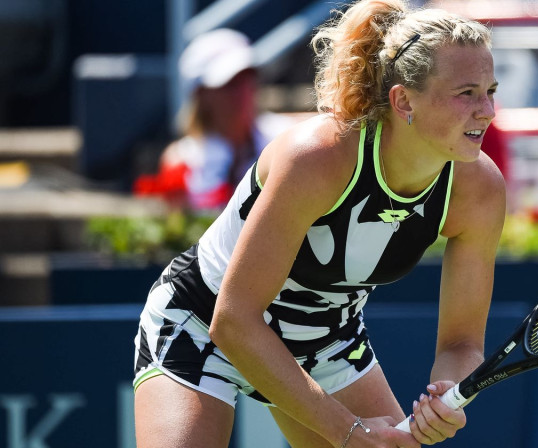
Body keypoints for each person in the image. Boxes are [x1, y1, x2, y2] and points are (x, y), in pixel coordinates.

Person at [132, 0, 505, 446]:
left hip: (327, 344)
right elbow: (233, 322)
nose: (487, 111)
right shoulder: (316, 158)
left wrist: (446, 394)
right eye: (466, 93)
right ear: (403, 100)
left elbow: (461, 344)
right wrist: (347, 431)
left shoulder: (479, 191)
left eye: (491, 90)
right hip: (203, 322)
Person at [134, 28, 293, 210]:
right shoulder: (180, 161)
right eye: (229, 84)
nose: (243, 92)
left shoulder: (288, 139)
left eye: (248, 78)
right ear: (201, 94)